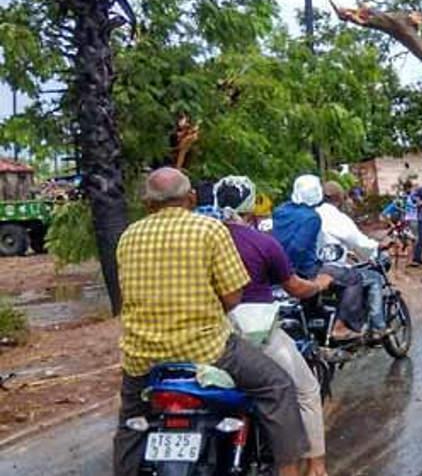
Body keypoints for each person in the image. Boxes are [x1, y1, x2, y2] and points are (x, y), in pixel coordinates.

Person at [114, 167, 307, 476]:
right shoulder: (211, 230)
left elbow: (128, 295)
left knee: (130, 423)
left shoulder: (128, 237)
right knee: (278, 386)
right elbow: (233, 297)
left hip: (143, 356)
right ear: (190, 198)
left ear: (148, 204)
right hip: (206, 349)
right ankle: (289, 471)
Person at [212, 176, 334, 476]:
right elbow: (295, 287)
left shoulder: (203, 237)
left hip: (209, 328)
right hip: (256, 329)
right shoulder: (262, 242)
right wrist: (319, 285)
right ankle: (316, 465)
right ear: (251, 205)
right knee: (305, 390)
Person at [272, 175, 366, 340]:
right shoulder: (312, 217)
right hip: (305, 269)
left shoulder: (280, 211)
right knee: (354, 278)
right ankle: (340, 326)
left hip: (278, 267)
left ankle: (317, 314)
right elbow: (298, 248)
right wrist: (292, 271)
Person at [317, 181, 388, 339]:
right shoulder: (336, 218)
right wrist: (376, 249)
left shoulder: (312, 214)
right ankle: (378, 327)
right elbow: (359, 242)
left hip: (313, 268)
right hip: (332, 269)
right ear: (339, 198)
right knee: (374, 279)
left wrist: (348, 253)